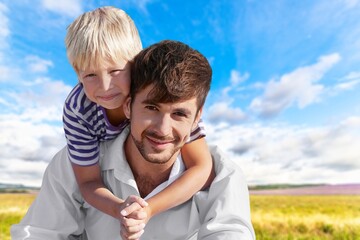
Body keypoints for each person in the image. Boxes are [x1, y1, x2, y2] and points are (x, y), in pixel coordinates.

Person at [11, 40, 255, 240]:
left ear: (197, 119)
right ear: (128, 107)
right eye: (151, 107)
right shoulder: (73, 163)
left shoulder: (224, 174)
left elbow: (230, 233)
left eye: (179, 114)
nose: (163, 129)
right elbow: (38, 233)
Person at [62, 6, 214, 230]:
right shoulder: (78, 110)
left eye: (115, 71)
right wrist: (119, 208)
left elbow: (201, 166)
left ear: (135, 63)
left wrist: (149, 208)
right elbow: (87, 181)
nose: (105, 87)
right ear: (77, 74)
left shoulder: (160, 92)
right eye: (90, 75)